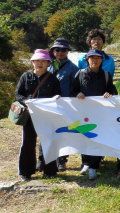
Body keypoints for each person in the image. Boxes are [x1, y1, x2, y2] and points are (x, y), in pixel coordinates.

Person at [15, 49, 61, 181]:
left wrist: (57, 97)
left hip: (47, 115)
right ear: (32, 62)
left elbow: (57, 94)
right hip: (30, 115)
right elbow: (18, 94)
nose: (39, 63)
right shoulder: (25, 76)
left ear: (48, 63)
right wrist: (25, 101)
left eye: (43, 61)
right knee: (28, 142)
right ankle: (26, 172)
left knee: (48, 141)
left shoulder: (52, 79)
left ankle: (50, 171)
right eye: (37, 61)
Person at [72, 49, 117, 180]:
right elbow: (73, 90)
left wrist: (109, 95)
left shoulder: (106, 75)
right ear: (87, 60)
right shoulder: (80, 74)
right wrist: (77, 94)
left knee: (97, 138)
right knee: (85, 137)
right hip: (83, 112)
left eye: (97, 58)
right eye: (91, 58)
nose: (94, 60)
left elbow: (112, 91)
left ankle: (94, 167)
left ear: (102, 60)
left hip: (100, 113)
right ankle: (85, 163)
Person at [47, 38, 79, 172]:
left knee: (63, 133)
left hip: (65, 105)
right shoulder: (47, 65)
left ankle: (61, 160)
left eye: (63, 50)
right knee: (47, 132)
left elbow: (76, 87)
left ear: (67, 52)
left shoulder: (72, 68)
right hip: (48, 105)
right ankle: (43, 160)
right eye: (57, 49)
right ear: (53, 51)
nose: (60, 52)